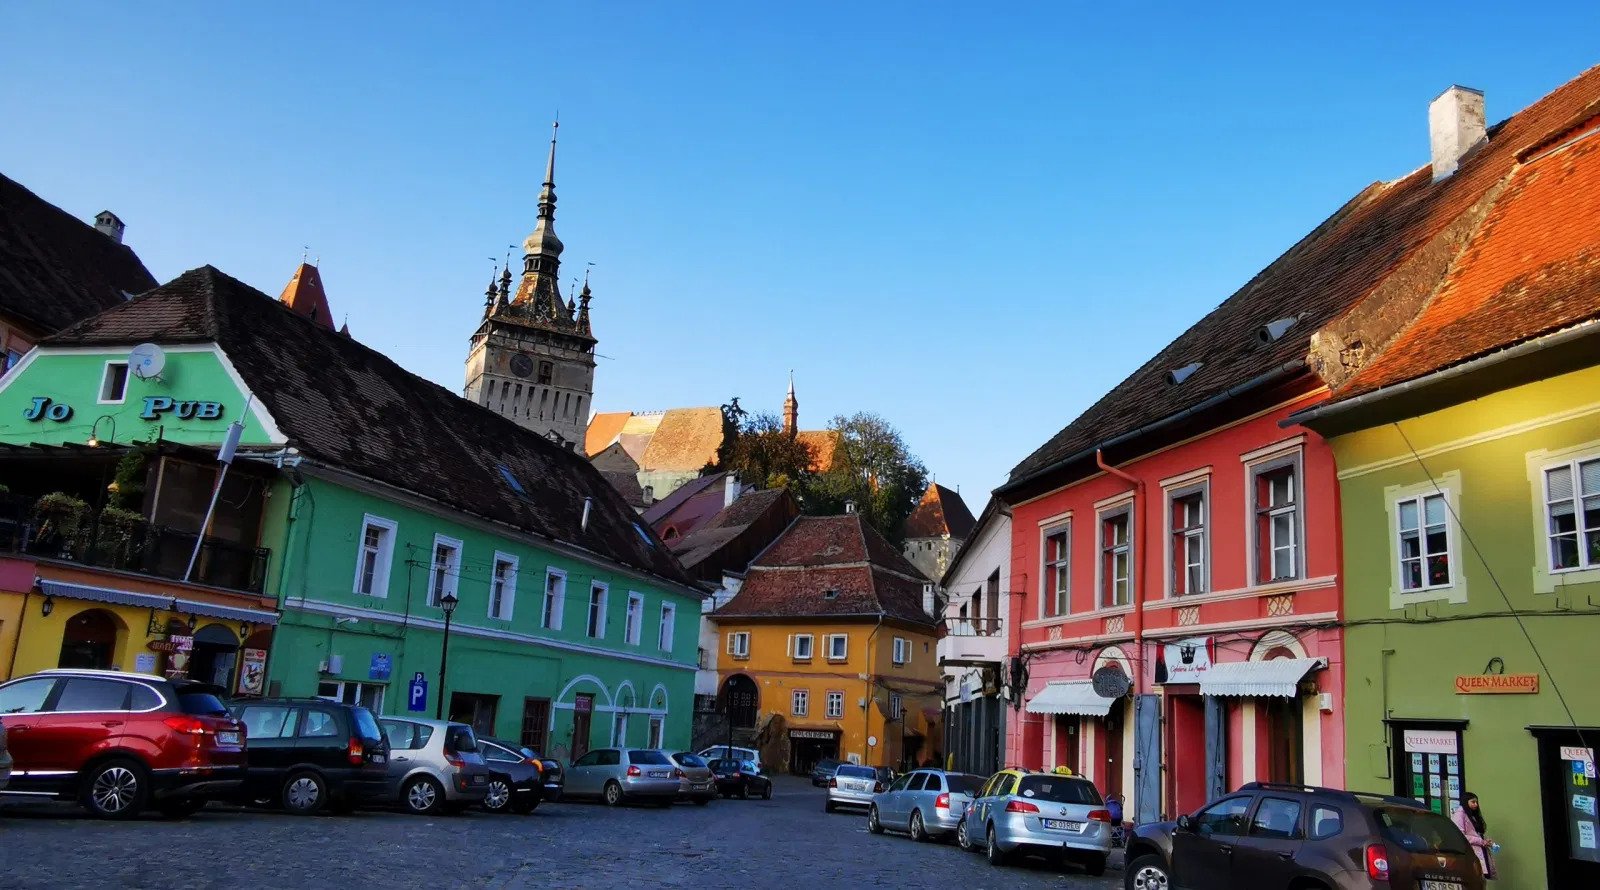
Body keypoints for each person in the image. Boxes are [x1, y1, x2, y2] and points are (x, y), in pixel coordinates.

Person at [1451, 791, 1497, 880]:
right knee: (1473, 878)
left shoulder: (1472, 815)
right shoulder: (1459, 814)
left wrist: (1485, 841)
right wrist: (1481, 841)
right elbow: (1460, 835)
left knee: (1480, 878)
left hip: (1479, 850)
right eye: (1473, 802)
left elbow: (1475, 833)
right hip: (1469, 852)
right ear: (1465, 802)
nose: (1476, 804)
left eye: (1476, 802)